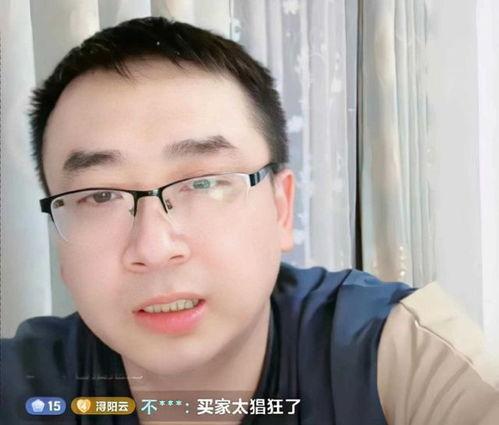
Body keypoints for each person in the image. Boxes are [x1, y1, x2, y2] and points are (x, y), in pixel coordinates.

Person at [1, 16, 498, 425]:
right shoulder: (22, 386)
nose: (153, 247)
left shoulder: (395, 355)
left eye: (202, 183)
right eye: (100, 195)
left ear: (281, 208)